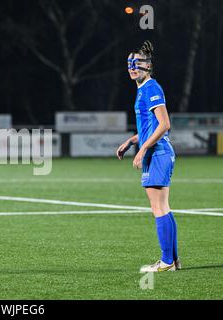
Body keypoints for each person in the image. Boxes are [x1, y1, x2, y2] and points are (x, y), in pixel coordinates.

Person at [116, 40, 179, 272]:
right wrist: (132, 141)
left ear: (149, 66)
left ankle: (166, 262)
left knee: (159, 208)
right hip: (157, 152)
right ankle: (173, 260)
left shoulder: (151, 88)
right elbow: (150, 126)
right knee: (164, 207)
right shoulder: (143, 89)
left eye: (138, 63)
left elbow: (164, 125)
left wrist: (142, 150)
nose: (133, 67)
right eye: (130, 63)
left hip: (158, 153)